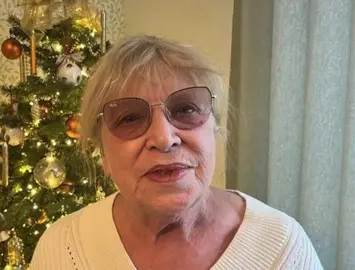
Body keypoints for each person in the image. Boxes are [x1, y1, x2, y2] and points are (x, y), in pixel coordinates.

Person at [30, 35, 323, 270]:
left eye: (186, 109)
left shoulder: (283, 248)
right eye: (129, 118)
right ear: (102, 153)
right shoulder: (61, 248)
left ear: (215, 129)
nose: (163, 138)